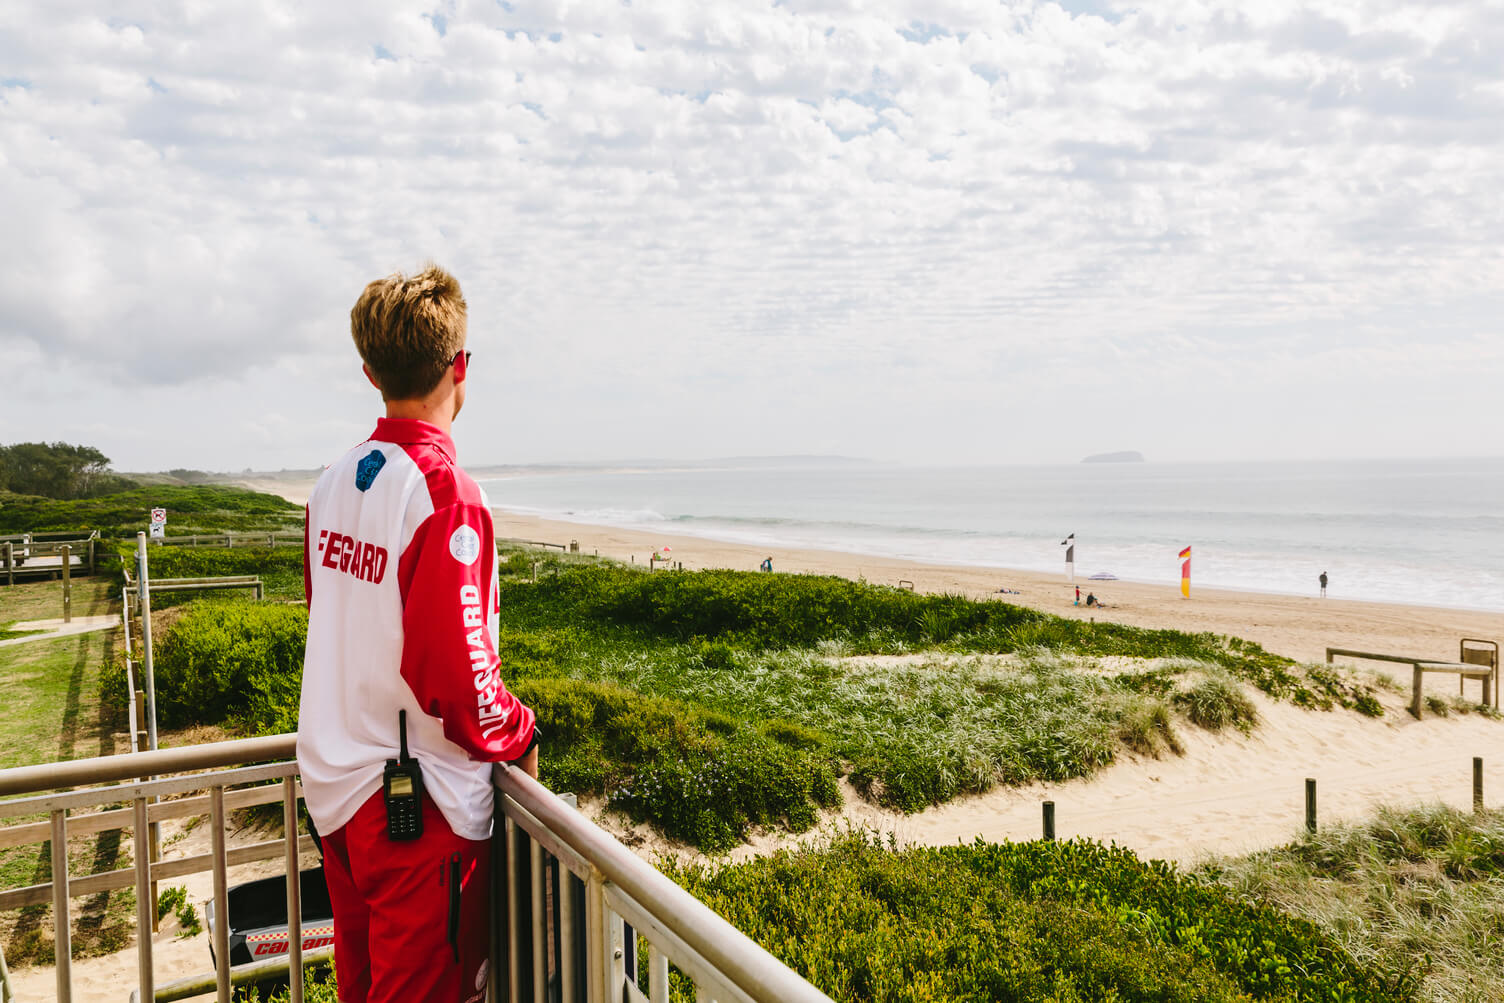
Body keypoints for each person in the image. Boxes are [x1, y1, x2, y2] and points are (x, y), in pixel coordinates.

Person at [297, 265, 538, 1003]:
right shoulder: (443, 492)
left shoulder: (331, 483)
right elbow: (458, 675)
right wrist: (522, 733)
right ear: (460, 367)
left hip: (338, 798)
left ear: (369, 372)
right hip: (418, 817)